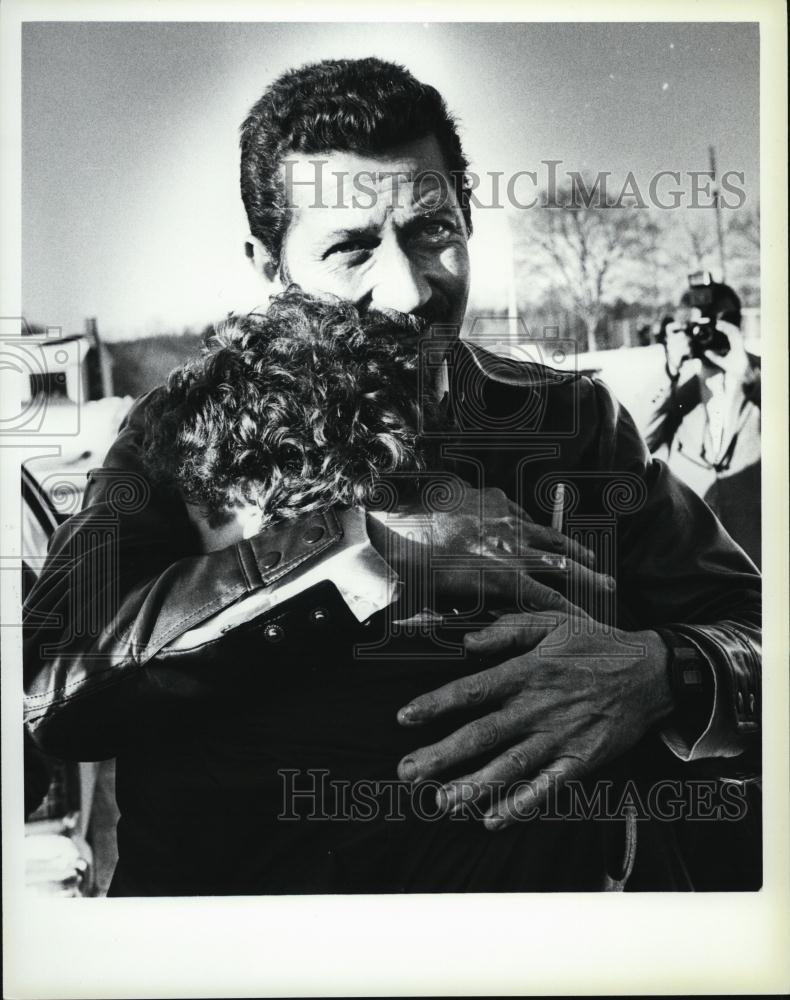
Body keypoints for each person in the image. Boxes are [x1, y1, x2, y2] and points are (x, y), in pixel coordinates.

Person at [24, 57, 761, 892]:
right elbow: (50, 685)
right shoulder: (179, 437)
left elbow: (757, 634)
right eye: (351, 250)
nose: (408, 290)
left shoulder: (571, 425)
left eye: (430, 231)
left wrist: (665, 674)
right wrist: (360, 550)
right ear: (270, 267)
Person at [646, 277, 761, 568]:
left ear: (737, 325)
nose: (708, 335)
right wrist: (670, 369)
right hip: (697, 554)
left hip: (758, 551)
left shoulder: (765, 374)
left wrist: (752, 381)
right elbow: (641, 439)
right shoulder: (676, 388)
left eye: (720, 324)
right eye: (700, 327)